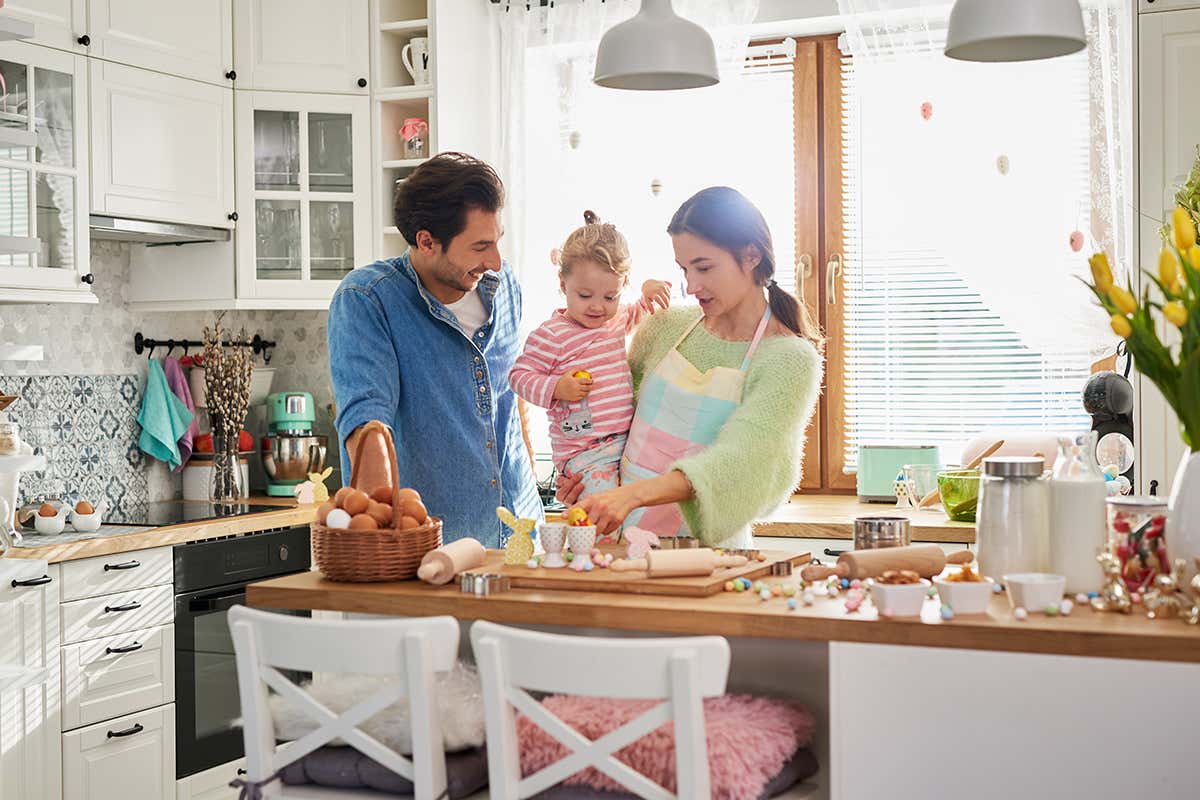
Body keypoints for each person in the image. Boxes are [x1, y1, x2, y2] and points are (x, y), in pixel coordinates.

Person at [563, 187, 823, 548]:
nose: (691, 284)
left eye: (703, 267)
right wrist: (583, 469)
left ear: (750, 256)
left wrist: (634, 495)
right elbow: (609, 420)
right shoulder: (664, 328)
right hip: (618, 542)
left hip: (708, 558)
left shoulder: (788, 360)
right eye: (684, 268)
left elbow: (742, 459)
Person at [328, 153, 542, 548]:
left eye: (497, 242)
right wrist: (378, 526)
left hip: (521, 538)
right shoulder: (368, 299)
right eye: (481, 246)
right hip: (430, 552)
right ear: (426, 241)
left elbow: (511, 397)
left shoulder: (505, 285)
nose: (494, 260)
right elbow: (366, 422)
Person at [509, 211, 671, 507]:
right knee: (602, 517)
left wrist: (648, 293)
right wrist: (557, 387)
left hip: (626, 443)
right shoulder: (552, 335)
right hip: (583, 455)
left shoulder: (615, 320)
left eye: (610, 297)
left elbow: (639, 313)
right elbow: (519, 376)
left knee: (637, 510)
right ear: (562, 283)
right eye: (585, 295)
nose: (598, 307)